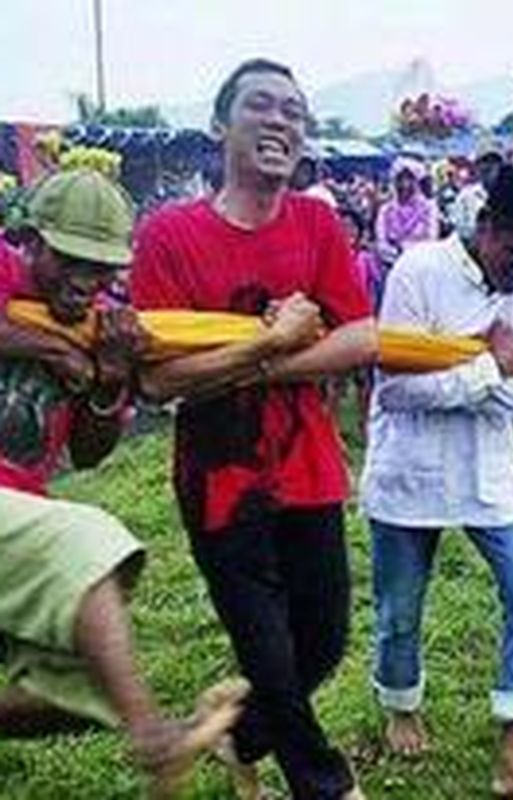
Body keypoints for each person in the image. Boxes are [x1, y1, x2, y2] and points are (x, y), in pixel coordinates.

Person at [131, 58, 377, 800]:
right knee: (268, 652)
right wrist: (273, 341)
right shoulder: (169, 235)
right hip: (220, 479)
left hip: (309, 468)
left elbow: (361, 337)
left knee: (321, 641)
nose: (280, 122)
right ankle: (326, 785)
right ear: (220, 125)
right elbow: (158, 379)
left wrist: (257, 361)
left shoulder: (317, 222)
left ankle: (238, 737)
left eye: (293, 112)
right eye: (261, 106)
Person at [0, 169, 247, 797]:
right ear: (29, 240)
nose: (85, 281)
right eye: (69, 260)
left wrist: (109, 380)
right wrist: (52, 351)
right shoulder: (2, 271)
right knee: (84, 539)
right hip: (21, 526)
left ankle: (138, 724)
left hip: (18, 513)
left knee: (81, 691)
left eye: (101, 268)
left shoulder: (109, 324)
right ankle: (155, 739)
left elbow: (87, 454)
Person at [360, 166, 513, 798]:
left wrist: (466, 371)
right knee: (399, 611)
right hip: (409, 468)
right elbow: (395, 391)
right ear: (484, 225)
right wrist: (494, 365)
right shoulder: (419, 270)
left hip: (493, 469)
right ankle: (401, 704)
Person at [376, 156, 439, 265]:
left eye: (410, 179)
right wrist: (395, 254)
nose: (405, 184)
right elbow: (381, 243)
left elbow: (431, 238)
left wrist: (405, 249)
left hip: (421, 263)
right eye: (400, 179)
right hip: (392, 264)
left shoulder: (429, 208)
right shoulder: (386, 210)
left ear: (417, 182)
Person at [450, 150, 505, 240]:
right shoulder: (465, 195)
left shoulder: (508, 194)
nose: (489, 164)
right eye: (484, 161)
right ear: (477, 167)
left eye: (493, 161)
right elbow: (459, 228)